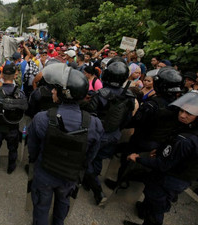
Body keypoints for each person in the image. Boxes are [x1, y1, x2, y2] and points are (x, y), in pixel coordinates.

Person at [27, 63, 103, 225]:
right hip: (70, 175)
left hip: (45, 172)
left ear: (64, 93)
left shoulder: (42, 118)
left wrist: (35, 161)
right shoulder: (94, 124)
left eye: (56, 89)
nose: (53, 91)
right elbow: (90, 155)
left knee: (41, 207)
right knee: (63, 202)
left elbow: (32, 149)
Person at [123, 91, 198, 225]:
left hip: (171, 178)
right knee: (151, 198)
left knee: (156, 208)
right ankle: (144, 211)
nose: (182, 115)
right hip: (178, 174)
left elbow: (163, 164)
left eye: (188, 114)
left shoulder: (185, 140)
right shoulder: (188, 130)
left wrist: (138, 158)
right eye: (182, 110)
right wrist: (162, 151)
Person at [82, 58, 137, 205]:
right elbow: (127, 120)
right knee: (98, 158)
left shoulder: (100, 94)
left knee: (86, 160)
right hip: (114, 135)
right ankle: (88, 181)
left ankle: (97, 191)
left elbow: (89, 116)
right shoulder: (130, 97)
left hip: (98, 134)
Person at [0, 63, 28, 174]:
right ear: (15, 76)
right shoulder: (21, 94)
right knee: (13, 149)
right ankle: (11, 167)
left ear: (2, 75)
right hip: (13, 127)